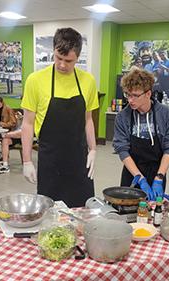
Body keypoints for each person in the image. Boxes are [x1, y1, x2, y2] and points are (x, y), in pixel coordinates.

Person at [21, 27, 99, 207]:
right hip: (50, 160)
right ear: (53, 51)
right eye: (58, 58)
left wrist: (93, 149)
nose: (62, 65)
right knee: (51, 214)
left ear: (78, 57)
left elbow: (88, 119)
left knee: (83, 211)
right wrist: (26, 161)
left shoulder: (88, 81)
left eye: (69, 60)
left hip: (79, 159)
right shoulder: (36, 80)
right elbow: (27, 123)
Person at [113, 67, 169, 201]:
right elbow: (122, 150)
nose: (130, 100)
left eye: (135, 95)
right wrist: (140, 179)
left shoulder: (166, 114)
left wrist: (159, 178)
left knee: (154, 211)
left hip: (157, 171)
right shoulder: (122, 117)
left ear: (148, 94)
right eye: (127, 94)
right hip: (132, 173)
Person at [0, 95, 17, 173]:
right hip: (0, 131)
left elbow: (13, 123)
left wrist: (4, 124)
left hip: (9, 132)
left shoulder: (8, 109)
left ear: (2, 102)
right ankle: (0, 157)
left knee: (4, 141)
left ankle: (4, 162)